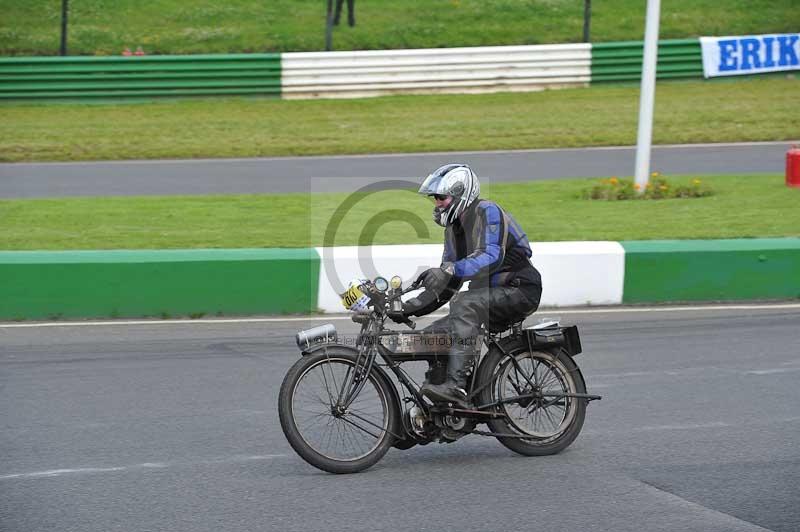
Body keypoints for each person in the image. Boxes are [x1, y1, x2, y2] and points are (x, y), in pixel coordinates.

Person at [396, 164, 542, 406]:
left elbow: (491, 255)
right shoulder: (453, 232)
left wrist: (449, 270)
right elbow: (446, 287)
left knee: (464, 304)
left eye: (441, 197)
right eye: (435, 199)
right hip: (485, 296)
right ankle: (440, 411)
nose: (437, 204)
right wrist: (406, 308)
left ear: (461, 193)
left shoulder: (488, 211)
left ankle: (456, 387)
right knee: (431, 338)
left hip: (520, 288)